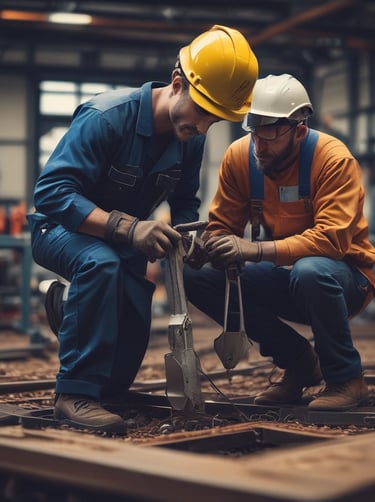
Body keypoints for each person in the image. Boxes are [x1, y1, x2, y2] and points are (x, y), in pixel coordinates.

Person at [27, 25, 258, 433]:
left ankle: (75, 321)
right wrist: (127, 227)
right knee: (102, 265)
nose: (204, 128)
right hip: (60, 229)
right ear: (176, 84)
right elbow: (51, 193)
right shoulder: (107, 118)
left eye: (216, 120)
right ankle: (73, 394)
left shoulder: (190, 138)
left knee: (135, 299)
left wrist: (190, 240)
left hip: (122, 240)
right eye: (203, 113)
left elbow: (185, 200)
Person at [184, 73, 375, 411]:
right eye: (254, 132)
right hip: (288, 274)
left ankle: (347, 379)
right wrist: (210, 246)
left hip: (348, 279)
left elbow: (331, 240)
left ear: (299, 131)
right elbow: (223, 224)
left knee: (312, 270)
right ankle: (300, 362)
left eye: (270, 135)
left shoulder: (333, 160)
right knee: (199, 278)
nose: (260, 145)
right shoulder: (241, 158)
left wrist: (254, 250)